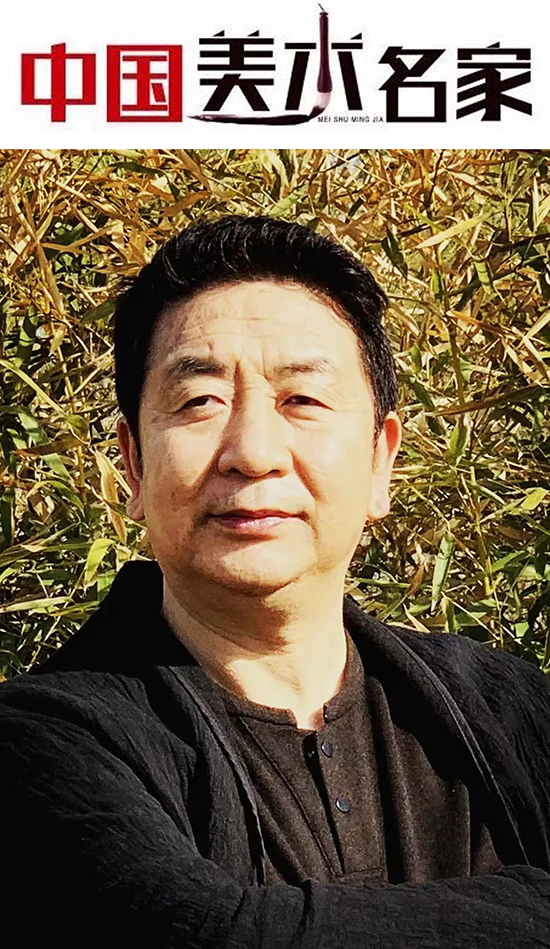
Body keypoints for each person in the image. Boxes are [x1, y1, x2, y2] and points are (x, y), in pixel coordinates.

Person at [1, 215, 549, 948]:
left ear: (381, 461)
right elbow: (209, 934)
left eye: (303, 400)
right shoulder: (43, 741)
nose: (253, 452)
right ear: (132, 464)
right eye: (199, 402)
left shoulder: (512, 711)